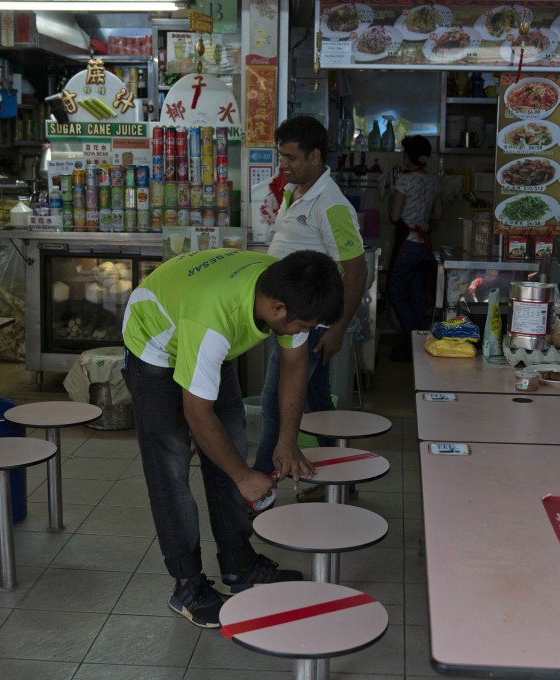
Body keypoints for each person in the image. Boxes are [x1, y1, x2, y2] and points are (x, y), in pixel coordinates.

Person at [122, 248, 344, 628]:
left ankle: (239, 564)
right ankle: (187, 584)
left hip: (198, 326)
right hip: (155, 345)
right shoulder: (214, 322)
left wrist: (287, 440)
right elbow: (197, 413)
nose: (304, 334)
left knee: (230, 447)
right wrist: (244, 476)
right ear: (277, 309)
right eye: (304, 327)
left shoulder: (284, 289)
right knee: (170, 468)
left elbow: (295, 365)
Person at [254, 115, 368, 503]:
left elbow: (356, 269)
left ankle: (258, 487)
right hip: (290, 319)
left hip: (307, 324)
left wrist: (338, 327)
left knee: (275, 405)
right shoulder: (298, 191)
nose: (282, 164)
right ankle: (343, 483)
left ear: (316, 156)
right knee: (318, 404)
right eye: (280, 155)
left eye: (290, 157)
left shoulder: (331, 204)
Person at [387, 135, 441, 362]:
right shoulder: (433, 181)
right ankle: (419, 341)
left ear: (407, 156)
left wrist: (392, 195)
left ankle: (412, 341)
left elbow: (394, 216)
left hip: (407, 244)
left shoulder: (404, 182)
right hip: (424, 247)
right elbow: (438, 215)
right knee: (416, 294)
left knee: (396, 292)